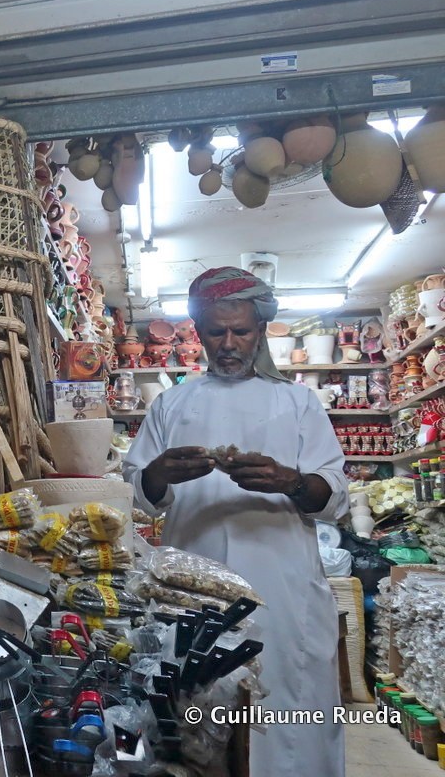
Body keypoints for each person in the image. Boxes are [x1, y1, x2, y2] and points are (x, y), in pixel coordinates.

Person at [122, 266, 346, 776]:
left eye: (240, 331)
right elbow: (139, 494)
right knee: (202, 713)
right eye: (215, 332)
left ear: (261, 329)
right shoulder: (172, 404)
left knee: (289, 705)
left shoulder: (298, 402)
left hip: (283, 586)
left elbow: (333, 495)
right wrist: (158, 473)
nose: (228, 344)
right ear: (197, 333)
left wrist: (289, 481)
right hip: (193, 588)